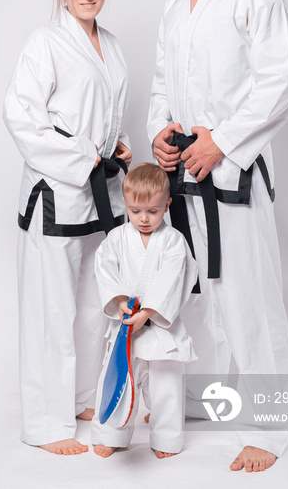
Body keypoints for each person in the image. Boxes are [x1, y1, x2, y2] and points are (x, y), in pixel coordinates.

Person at [147, 0, 288, 472]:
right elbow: (164, 82)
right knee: (193, 294)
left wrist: (223, 141)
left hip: (232, 172)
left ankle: (269, 427)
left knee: (249, 296)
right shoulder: (173, 2)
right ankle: (204, 402)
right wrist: (163, 131)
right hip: (186, 171)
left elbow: (282, 82)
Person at [3, 0, 131, 456]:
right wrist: (82, 160)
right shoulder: (45, 42)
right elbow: (22, 118)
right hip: (56, 192)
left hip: (100, 195)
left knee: (90, 306)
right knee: (49, 310)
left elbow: (104, 111)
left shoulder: (113, 45)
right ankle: (45, 423)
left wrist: (113, 146)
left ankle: (80, 397)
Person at [91, 163, 198, 458]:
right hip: (126, 325)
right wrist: (121, 300)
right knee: (117, 380)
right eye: (136, 211)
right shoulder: (116, 239)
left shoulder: (174, 242)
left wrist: (148, 311)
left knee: (167, 386)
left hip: (160, 328)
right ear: (125, 203)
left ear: (167, 204)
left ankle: (165, 439)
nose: (144, 218)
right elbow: (104, 270)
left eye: (153, 211)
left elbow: (173, 278)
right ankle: (111, 434)